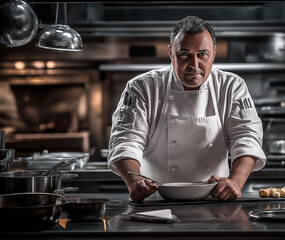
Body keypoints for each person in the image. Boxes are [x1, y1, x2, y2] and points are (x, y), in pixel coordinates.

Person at [108, 16, 266, 202]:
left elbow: (246, 137)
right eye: (184, 54)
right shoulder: (142, 87)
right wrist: (134, 181)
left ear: (213, 53)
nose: (194, 65)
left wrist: (236, 182)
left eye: (202, 54)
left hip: (216, 201)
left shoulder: (231, 86)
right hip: (155, 202)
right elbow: (126, 139)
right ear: (170, 53)